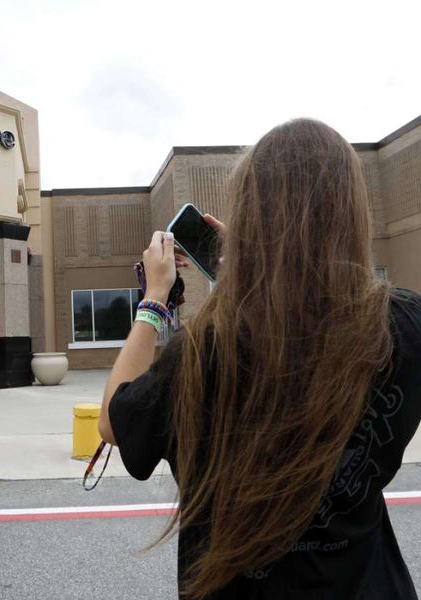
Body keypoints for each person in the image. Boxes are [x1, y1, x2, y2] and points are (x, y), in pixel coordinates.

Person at [99, 119, 421, 599]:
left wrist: (154, 299)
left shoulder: (202, 353)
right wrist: (259, 272)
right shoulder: (404, 323)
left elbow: (111, 421)